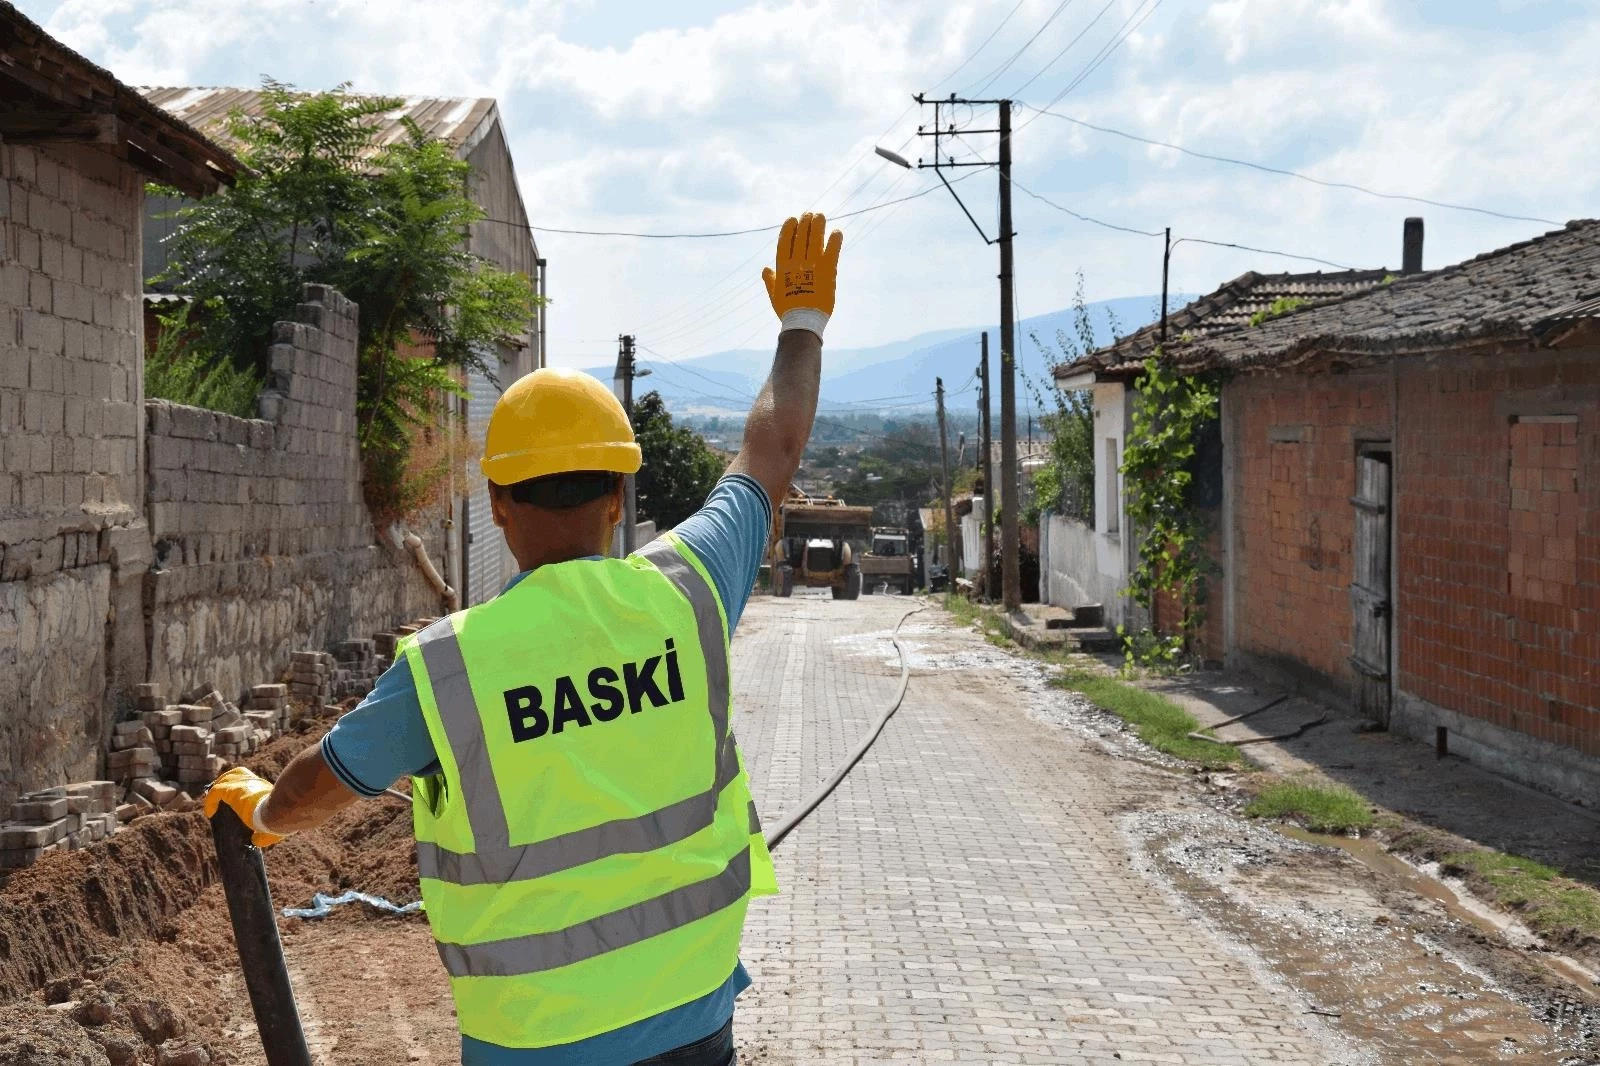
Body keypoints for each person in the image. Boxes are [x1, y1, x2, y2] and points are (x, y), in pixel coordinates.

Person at [204, 213, 843, 1066]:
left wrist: (261, 812)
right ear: (618, 495)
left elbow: (323, 783)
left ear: (499, 505)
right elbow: (772, 449)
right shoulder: (689, 588)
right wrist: (802, 323)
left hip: (534, 1041)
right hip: (693, 1019)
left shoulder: (449, 667)